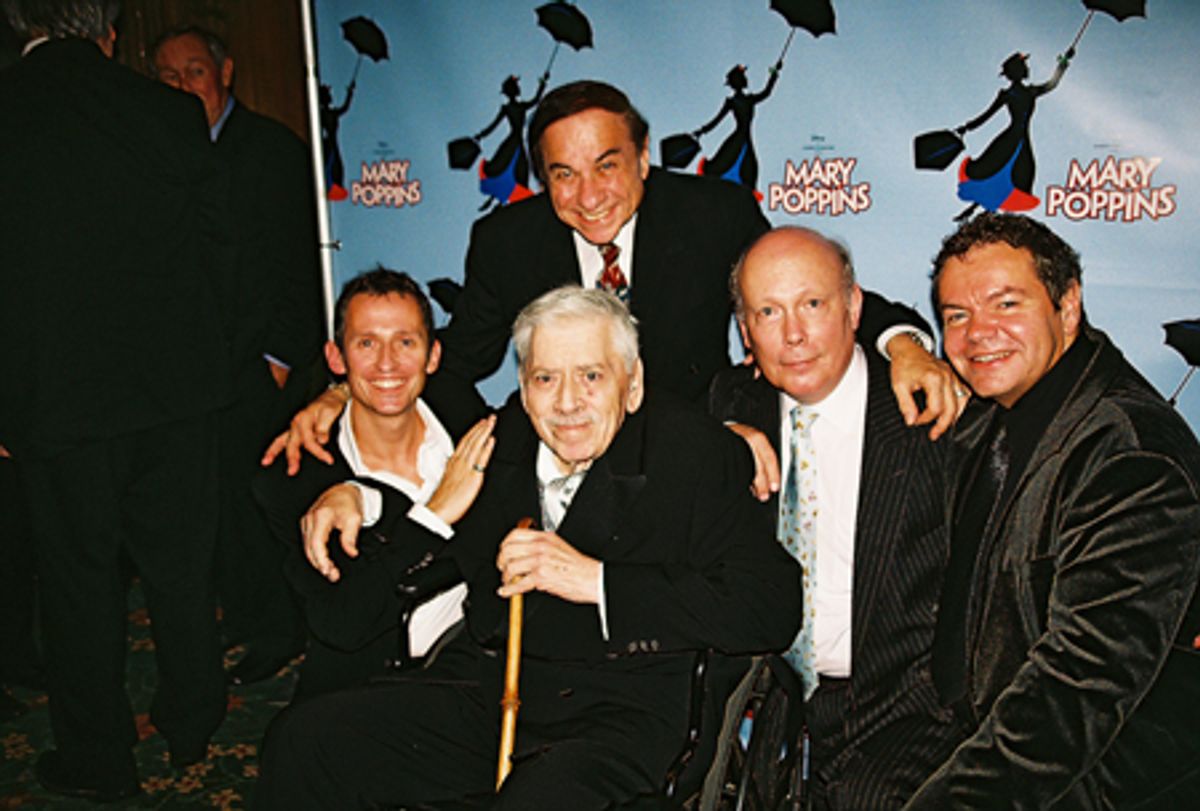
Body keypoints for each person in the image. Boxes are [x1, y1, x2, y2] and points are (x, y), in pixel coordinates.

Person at [254, 286, 803, 809]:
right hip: (494, 691)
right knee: (304, 742)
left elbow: (771, 606)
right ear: (522, 382)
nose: (567, 403)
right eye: (545, 377)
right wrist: (359, 495)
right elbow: (447, 522)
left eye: (591, 375)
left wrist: (597, 582)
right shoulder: (504, 434)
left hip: (617, 718)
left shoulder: (694, 454)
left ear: (631, 385)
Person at [269, 79, 961, 482]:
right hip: (564, 450)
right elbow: (465, 354)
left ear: (644, 157)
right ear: (542, 179)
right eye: (563, 174)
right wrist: (349, 393)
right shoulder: (507, 241)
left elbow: (809, 294)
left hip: (699, 443)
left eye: (607, 164)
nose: (589, 194)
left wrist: (903, 344)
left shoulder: (711, 213)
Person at [0, 0, 232, 800]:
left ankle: (101, 761)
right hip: (176, 394)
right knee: (181, 571)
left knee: (76, 589)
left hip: (57, 405)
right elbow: (213, 245)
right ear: (108, 31)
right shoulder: (168, 113)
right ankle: (195, 716)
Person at [907, 213, 1200, 808]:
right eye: (956, 316)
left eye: (1005, 304)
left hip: (1093, 784)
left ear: (1068, 305)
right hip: (988, 753)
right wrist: (901, 346)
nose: (977, 333)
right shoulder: (995, 415)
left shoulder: (1129, 453)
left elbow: (1080, 685)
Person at [709, 228, 959, 808]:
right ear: (746, 331)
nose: (793, 334)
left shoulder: (930, 412)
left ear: (853, 309)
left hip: (905, 712)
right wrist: (721, 441)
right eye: (768, 312)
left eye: (812, 305)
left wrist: (905, 343)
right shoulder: (729, 405)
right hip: (771, 708)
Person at [153, 25, 324, 686]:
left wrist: (282, 357)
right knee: (214, 505)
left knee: (264, 503)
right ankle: (247, 614)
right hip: (192, 368)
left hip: (260, 364)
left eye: (194, 71)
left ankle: (281, 629)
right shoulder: (162, 151)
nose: (182, 86)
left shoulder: (273, 151)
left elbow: (297, 263)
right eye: (167, 77)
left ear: (225, 73)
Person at [253, 268, 494, 701]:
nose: (387, 363)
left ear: (432, 355)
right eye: (366, 343)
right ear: (336, 358)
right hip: (376, 687)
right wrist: (432, 515)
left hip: (483, 660)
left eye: (405, 342)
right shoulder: (295, 478)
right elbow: (344, 623)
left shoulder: (459, 409)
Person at [953, 50, 1071, 222]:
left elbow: (1052, 84)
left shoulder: (1030, 92)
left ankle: (986, 210)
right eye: (1024, 65)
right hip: (1012, 138)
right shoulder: (1008, 95)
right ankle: (976, 209)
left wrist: (1063, 64)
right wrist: (966, 128)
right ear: (1017, 71)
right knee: (995, 171)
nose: (1027, 68)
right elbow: (987, 115)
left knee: (1014, 173)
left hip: (1020, 138)